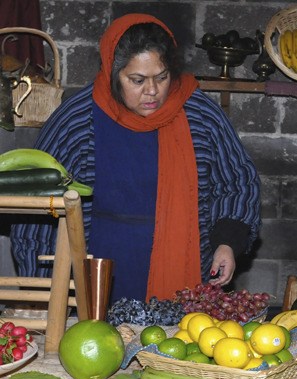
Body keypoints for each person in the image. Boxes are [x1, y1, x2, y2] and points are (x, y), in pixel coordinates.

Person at [10, 14, 261, 303]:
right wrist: (43, 292)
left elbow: (236, 182)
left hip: (184, 274)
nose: (152, 91)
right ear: (112, 73)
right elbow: (40, 206)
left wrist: (228, 243)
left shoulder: (200, 116)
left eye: (162, 77)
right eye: (137, 80)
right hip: (95, 278)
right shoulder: (77, 121)